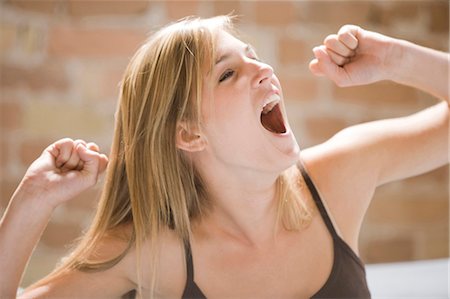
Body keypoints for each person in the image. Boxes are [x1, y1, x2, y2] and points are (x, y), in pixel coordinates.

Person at [0, 15, 448, 298]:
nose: (265, 69)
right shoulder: (154, 252)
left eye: (254, 56)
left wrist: (393, 59)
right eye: (228, 73)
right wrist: (34, 198)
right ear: (189, 133)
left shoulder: (339, 177)